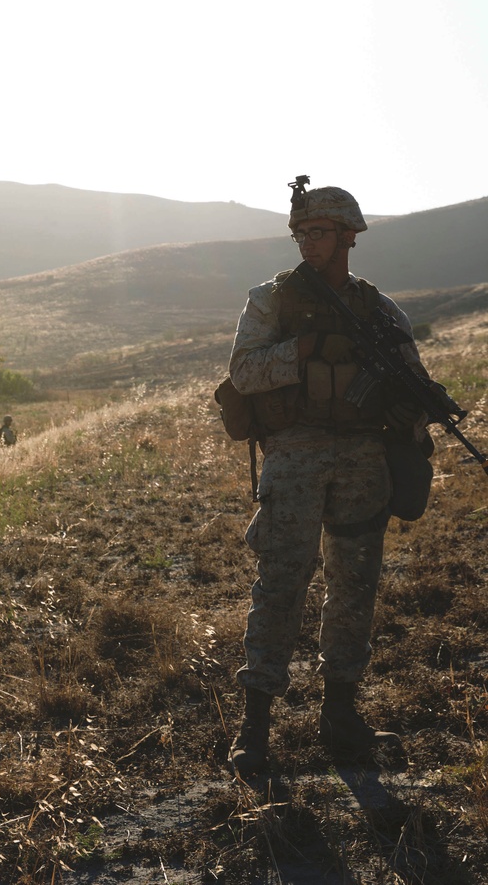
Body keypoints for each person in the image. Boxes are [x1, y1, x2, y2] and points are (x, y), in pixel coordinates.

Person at [226, 182, 431, 779]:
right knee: (281, 581)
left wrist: (409, 409)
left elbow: (412, 377)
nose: (307, 243)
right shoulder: (271, 299)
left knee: (355, 585)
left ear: (349, 235)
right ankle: (254, 728)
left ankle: (340, 714)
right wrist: (307, 347)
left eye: (318, 232)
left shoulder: (379, 308)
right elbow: (243, 371)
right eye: (300, 234)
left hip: (363, 458)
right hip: (294, 455)